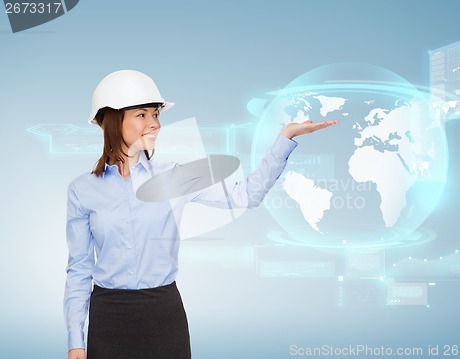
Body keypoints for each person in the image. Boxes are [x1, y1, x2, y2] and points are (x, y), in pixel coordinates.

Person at [64, 70, 338, 359]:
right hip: (109, 319)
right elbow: (79, 269)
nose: (154, 123)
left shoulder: (175, 176)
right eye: (141, 115)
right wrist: (75, 341)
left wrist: (285, 138)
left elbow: (247, 195)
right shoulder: (82, 190)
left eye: (155, 114)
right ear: (111, 119)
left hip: (163, 315)